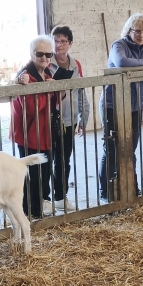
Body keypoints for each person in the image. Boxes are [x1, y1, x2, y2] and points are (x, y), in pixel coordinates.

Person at [99, 14, 143, 201]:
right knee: (112, 148)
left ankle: (132, 189)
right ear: (129, 31)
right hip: (113, 104)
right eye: (137, 31)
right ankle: (106, 192)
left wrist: (141, 66)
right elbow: (121, 62)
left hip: (134, 106)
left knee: (130, 149)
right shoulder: (119, 45)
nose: (141, 35)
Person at [47, 25, 90, 212]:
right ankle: (43, 199)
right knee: (46, 160)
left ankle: (60, 197)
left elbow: (81, 92)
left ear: (70, 43)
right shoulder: (46, 63)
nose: (59, 44)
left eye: (63, 41)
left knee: (63, 161)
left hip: (68, 120)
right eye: (56, 41)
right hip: (49, 120)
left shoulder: (76, 65)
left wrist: (83, 118)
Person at [13, 36, 56, 219]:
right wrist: (49, 90)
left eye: (48, 54)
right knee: (32, 174)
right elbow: (31, 107)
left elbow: (54, 101)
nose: (44, 58)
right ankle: (29, 212)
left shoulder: (46, 74)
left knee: (43, 172)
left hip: (43, 132)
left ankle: (37, 210)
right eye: (40, 54)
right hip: (29, 133)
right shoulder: (25, 76)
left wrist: (54, 89)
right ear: (32, 54)